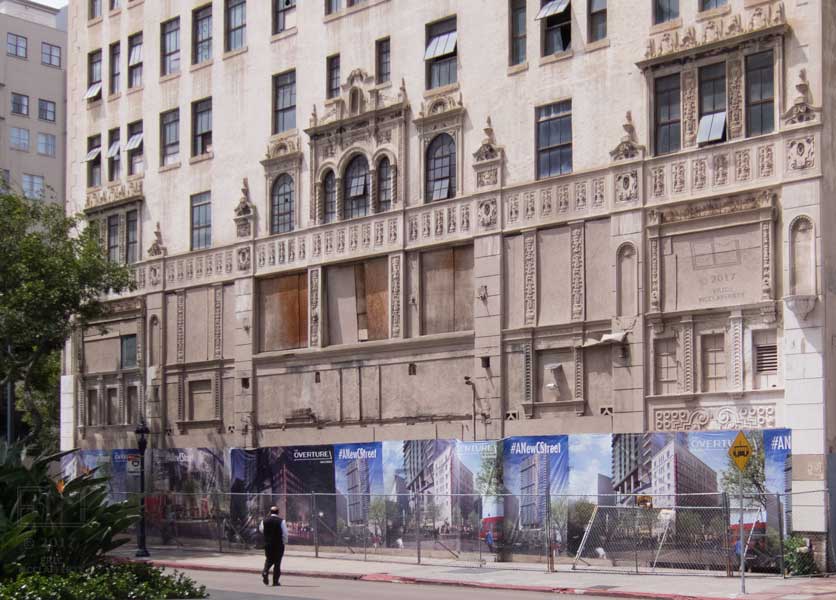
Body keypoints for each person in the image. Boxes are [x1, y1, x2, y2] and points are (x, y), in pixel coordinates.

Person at [259, 506, 288, 587]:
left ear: (270, 512)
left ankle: (265, 571)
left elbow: (261, 530)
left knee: (268, 559)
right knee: (277, 562)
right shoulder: (281, 521)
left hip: (268, 544)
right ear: (278, 512)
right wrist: (284, 542)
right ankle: (275, 581)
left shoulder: (264, 521)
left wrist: (267, 536)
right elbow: (285, 533)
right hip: (278, 545)